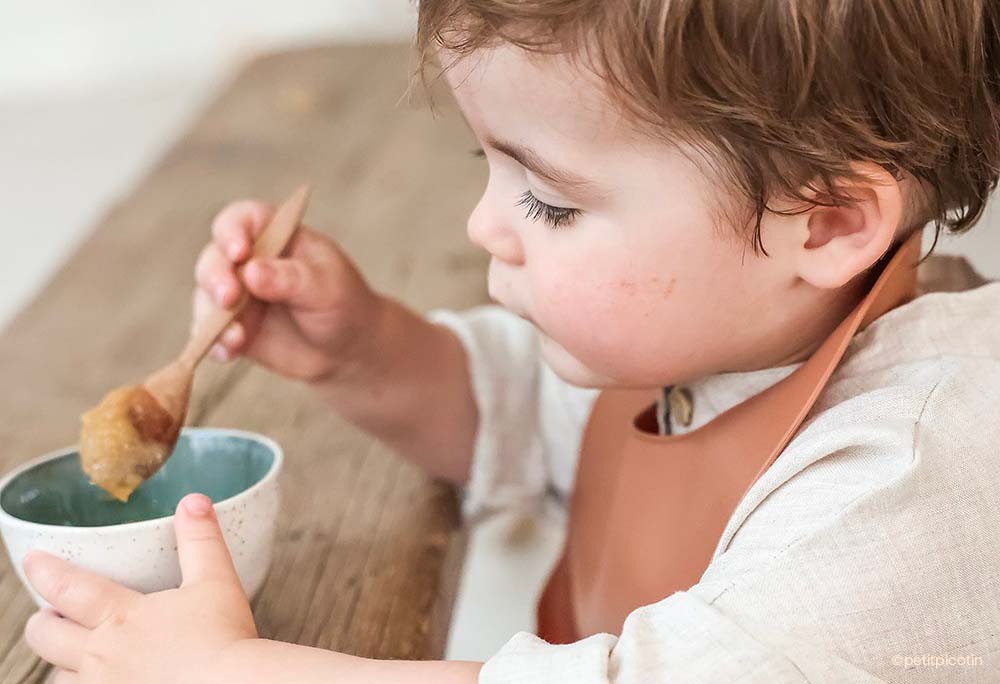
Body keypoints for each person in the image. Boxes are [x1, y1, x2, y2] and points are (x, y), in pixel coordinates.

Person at [21, 1, 1000, 682]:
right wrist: (363, 351)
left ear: (823, 222)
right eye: (484, 165)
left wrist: (238, 673)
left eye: (548, 198)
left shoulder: (908, 482)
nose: (483, 226)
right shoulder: (711, 333)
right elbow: (523, 417)